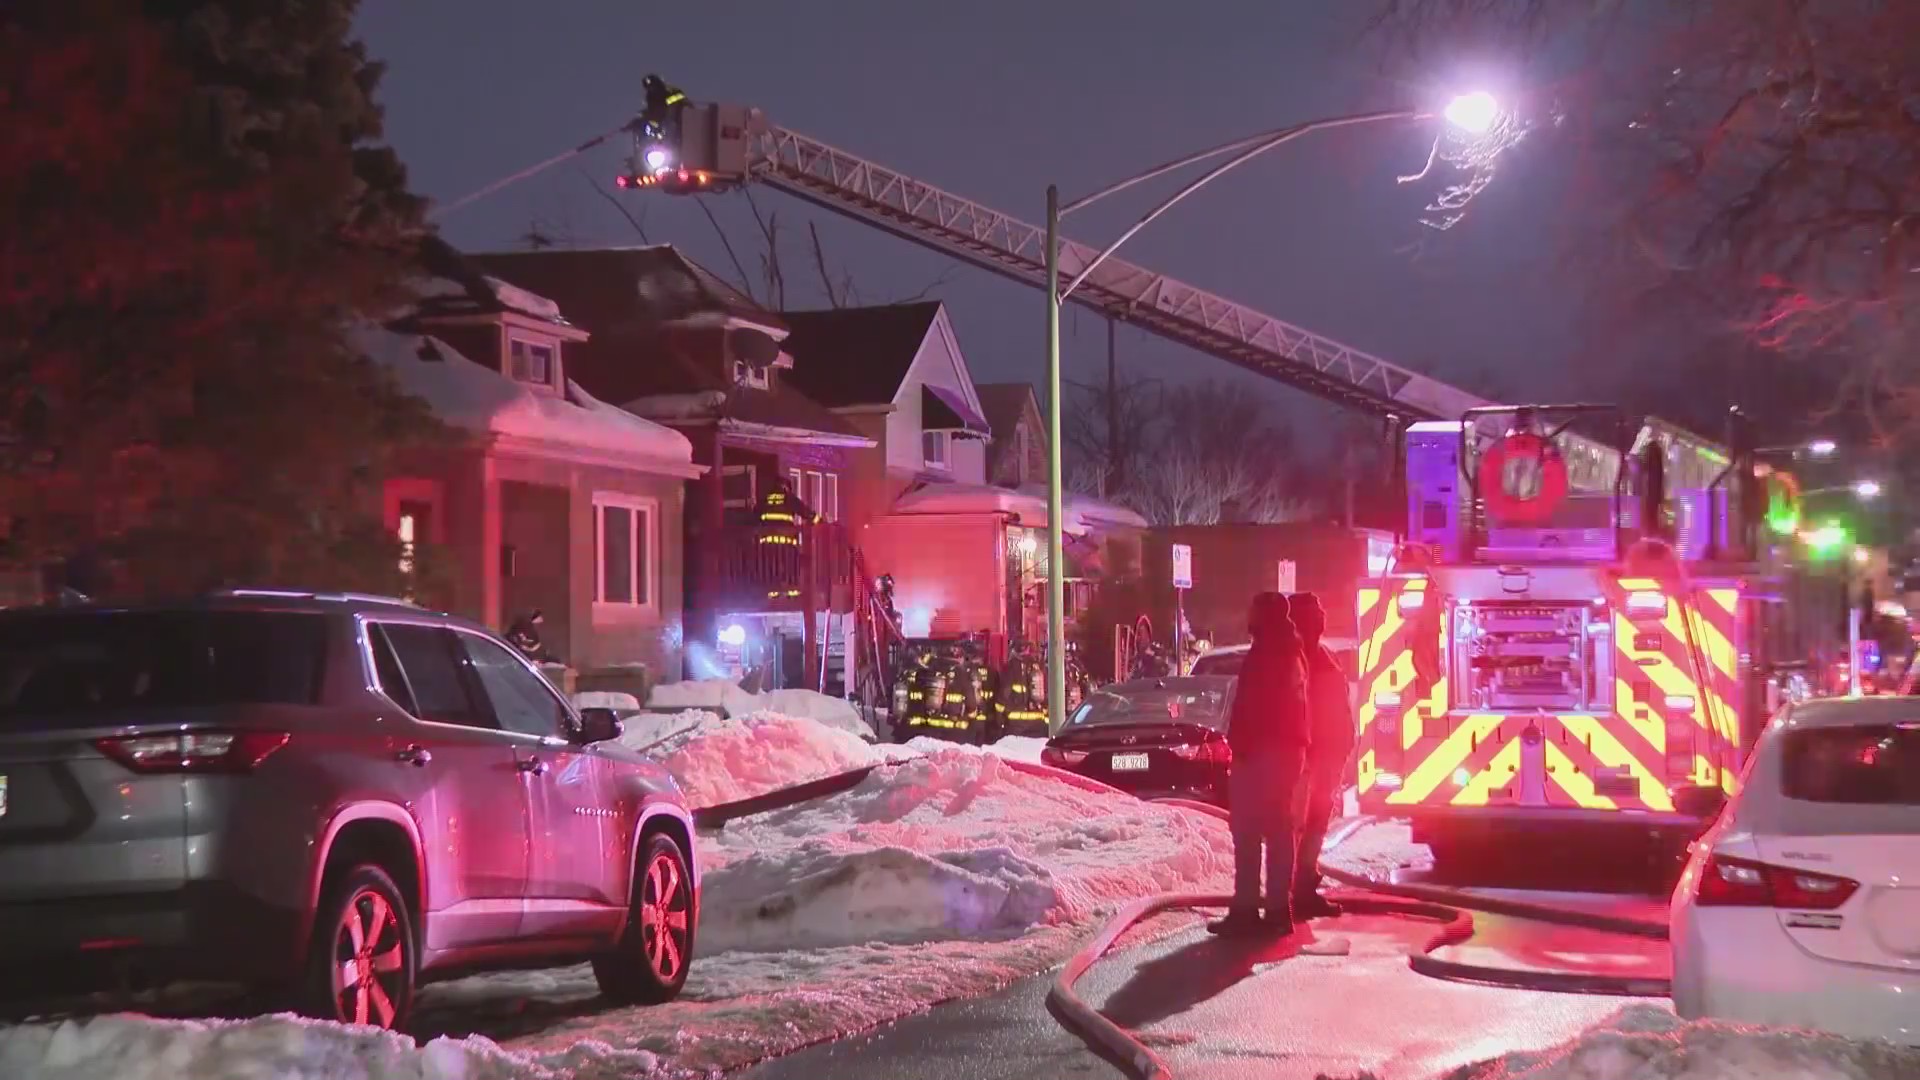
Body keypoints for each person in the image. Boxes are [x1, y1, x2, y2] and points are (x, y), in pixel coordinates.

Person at [1209, 591, 1311, 938]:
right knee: (1264, 830)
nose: (1247, 614)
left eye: (1253, 609)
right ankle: (1262, 908)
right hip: (1275, 751)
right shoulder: (1284, 649)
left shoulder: (1273, 652)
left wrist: (1245, 744)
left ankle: (1262, 910)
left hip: (1268, 753)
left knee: (1261, 830)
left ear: (1264, 615)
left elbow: (1261, 706)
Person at [1289, 592, 1354, 919]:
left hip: (1324, 759)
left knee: (1314, 825)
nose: (1321, 622)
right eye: (1315, 616)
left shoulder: (1324, 658)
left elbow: (1338, 708)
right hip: (1303, 760)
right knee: (1298, 827)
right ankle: (1293, 890)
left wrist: (1344, 742)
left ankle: (1302, 886)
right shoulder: (1292, 661)